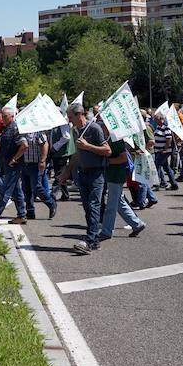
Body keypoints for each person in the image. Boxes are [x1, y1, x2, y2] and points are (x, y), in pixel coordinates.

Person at [62, 104, 110, 254]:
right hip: (82, 173)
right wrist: (66, 172)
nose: (69, 120)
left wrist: (88, 146)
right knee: (87, 209)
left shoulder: (94, 128)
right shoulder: (76, 131)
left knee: (94, 206)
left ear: (79, 115)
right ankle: (94, 240)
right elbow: (77, 155)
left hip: (96, 174)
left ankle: (89, 241)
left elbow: (107, 150)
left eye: (70, 117)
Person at [97, 110, 147, 240]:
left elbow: (124, 158)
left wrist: (107, 162)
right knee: (118, 201)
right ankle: (137, 224)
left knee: (111, 204)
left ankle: (107, 231)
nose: (101, 126)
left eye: (102, 123)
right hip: (113, 174)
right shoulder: (109, 137)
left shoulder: (115, 138)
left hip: (116, 174)